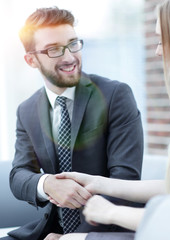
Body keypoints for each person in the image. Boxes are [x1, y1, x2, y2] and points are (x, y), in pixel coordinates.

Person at [56, 0, 170, 239]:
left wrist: (109, 212)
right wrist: (100, 183)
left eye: (162, 40)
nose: (158, 51)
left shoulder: (116, 94)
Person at [2, 6, 143, 240]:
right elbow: (19, 175)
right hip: (50, 228)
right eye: (54, 50)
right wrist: (47, 184)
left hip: (106, 229)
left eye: (73, 44)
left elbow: (124, 181)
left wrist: (73, 238)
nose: (69, 57)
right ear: (31, 60)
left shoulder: (115, 95)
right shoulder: (26, 110)